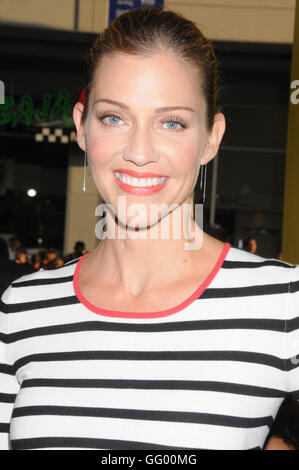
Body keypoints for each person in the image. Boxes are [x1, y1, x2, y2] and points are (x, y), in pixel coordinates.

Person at [0, 6, 298, 451]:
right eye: (114, 118)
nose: (140, 152)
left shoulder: (283, 304)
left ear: (211, 138)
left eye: (172, 122)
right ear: (82, 126)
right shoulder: (22, 308)